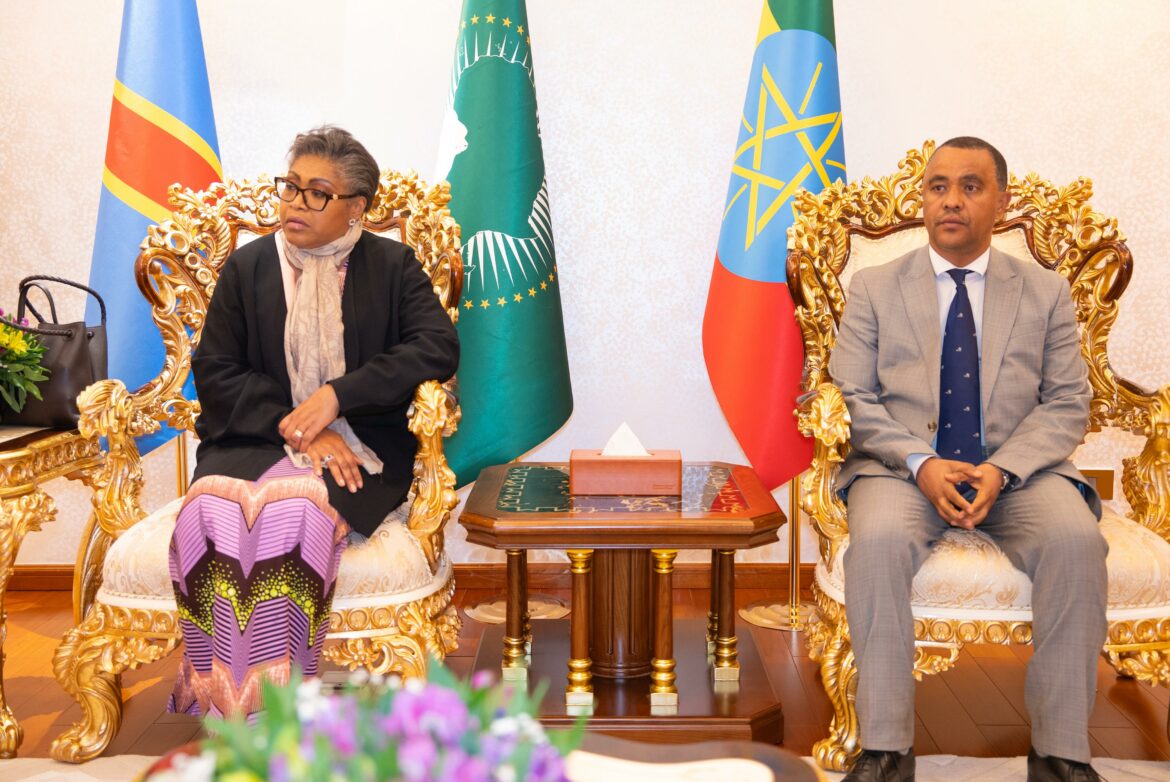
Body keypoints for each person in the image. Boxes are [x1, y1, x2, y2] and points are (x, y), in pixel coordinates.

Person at [829, 137, 1107, 782]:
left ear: (1001, 202)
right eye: (938, 187)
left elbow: (1068, 402)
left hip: (1018, 473)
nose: (951, 200)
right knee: (876, 544)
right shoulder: (874, 287)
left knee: (1076, 542)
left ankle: (1061, 753)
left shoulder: (1045, 291)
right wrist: (920, 462)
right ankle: (886, 750)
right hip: (900, 470)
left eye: (971, 187)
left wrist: (1003, 470)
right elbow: (852, 397)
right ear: (923, 199)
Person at [167, 126, 459, 719]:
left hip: (360, 452)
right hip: (251, 441)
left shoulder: (391, 265)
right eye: (291, 187)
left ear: (356, 207)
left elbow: (436, 347)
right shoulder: (249, 267)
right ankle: (228, 711)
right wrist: (299, 425)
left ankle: (271, 711)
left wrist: (337, 396)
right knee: (208, 516)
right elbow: (216, 370)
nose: (296, 203)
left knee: (292, 516)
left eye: (317, 193)